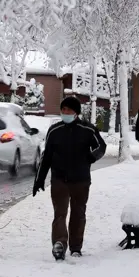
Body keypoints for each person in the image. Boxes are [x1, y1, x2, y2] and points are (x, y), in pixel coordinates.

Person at [33, 96, 107, 261]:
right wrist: (39, 179)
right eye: (63, 109)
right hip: (59, 179)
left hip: (81, 180)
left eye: (69, 110)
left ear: (76, 112)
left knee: (78, 214)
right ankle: (59, 244)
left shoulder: (87, 129)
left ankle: (75, 247)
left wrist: (91, 157)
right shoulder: (54, 131)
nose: (65, 112)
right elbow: (47, 157)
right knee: (60, 213)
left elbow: (101, 146)